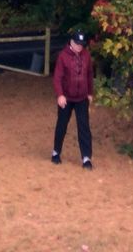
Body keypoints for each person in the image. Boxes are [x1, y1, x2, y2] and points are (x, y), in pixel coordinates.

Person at [51, 27, 94, 169]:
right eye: (77, 44)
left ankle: (86, 157)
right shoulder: (63, 56)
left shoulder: (86, 55)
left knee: (84, 127)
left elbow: (89, 74)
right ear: (71, 42)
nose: (79, 47)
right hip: (67, 97)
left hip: (82, 97)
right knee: (62, 125)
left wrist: (90, 93)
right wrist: (60, 94)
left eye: (81, 45)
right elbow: (57, 77)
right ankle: (56, 151)